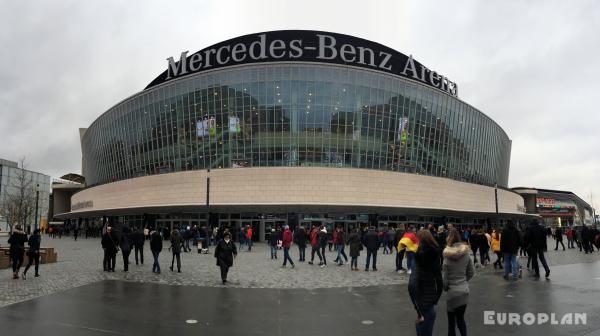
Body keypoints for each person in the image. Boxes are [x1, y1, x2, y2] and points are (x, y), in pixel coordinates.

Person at [408, 229, 443, 336]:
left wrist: (416, 308)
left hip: (420, 298)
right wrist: (436, 298)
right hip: (430, 297)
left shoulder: (417, 257)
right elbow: (439, 280)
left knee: (422, 328)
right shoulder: (435, 254)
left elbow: (412, 285)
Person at [442, 229, 474, 336]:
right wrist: (464, 281)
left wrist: (446, 287)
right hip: (464, 290)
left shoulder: (447, 256)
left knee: (451, 323)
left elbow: (445, 280)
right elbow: (471, 272)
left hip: (452, 293)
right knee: (461, 320)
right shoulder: (466, 254)